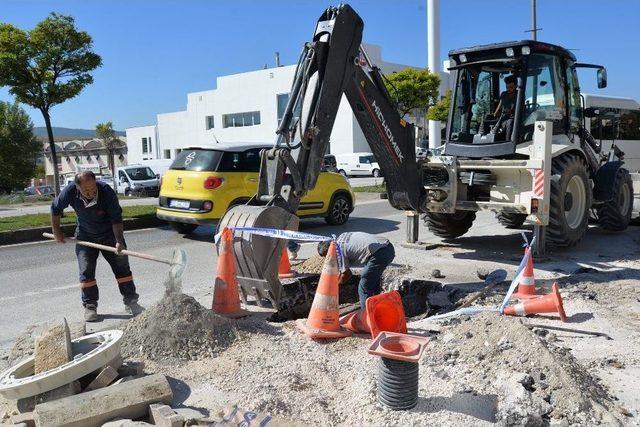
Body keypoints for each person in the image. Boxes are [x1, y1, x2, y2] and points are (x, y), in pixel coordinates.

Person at [50, 171, 142, 322]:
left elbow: (116, 219)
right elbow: (55, 208)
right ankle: (90, 306)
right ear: (77, 187)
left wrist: (119, 240)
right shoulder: (70, 191)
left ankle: (131, 302)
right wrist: (56, 231)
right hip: (85, 236)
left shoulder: (106, 191)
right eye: (86, 190)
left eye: (93, 189)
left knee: (122, 268)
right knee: (86, 270)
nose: (91, 192)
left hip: (110, 235)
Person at [317, 232, 394, 309]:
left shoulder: (338, 251)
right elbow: (342, 270)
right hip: (386, 247)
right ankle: (377, 308)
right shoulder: (340, 238)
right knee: (372, 281)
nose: (328, 258)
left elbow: (346, 274)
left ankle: (366, 314)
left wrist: (335, 288)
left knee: (364, 286)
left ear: (329, 250)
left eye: (327, 256)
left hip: (380, 254)